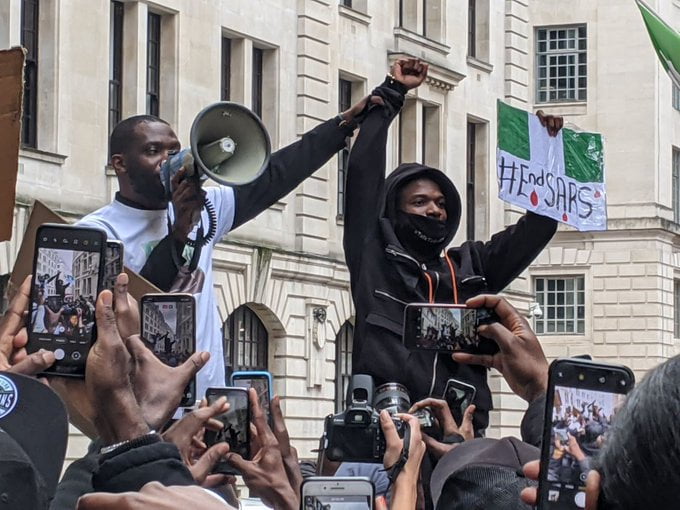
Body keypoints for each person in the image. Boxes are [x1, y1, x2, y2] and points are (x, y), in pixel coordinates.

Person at [77, 102, 366, 402]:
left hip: (207, 404)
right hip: (143, 408)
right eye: (153, 151)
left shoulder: (207, 206)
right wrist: (180, 233)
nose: (168, 160)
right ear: (120, 163)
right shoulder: (97, 233)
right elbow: (136, 312)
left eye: (174, 151)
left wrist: (341, 126)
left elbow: (277, 175)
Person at [343, 58, 562, 433]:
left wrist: (547, 154)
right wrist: (392, 95)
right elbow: (362, 178)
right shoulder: (372, 258)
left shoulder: (471, 266)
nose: (434, 210)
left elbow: (536, 229)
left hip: (461, 438)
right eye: (420, 202)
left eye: (442, 204)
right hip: (389, 433)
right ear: (394, 212)